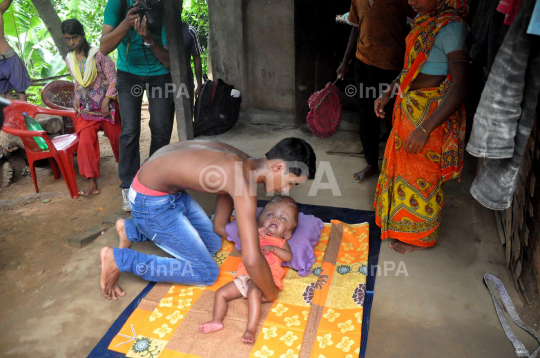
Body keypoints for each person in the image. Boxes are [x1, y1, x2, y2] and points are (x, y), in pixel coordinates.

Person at [100, 138, 316, 301]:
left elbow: (224, 190)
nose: (287, 190)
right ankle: (120, 259)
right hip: (150, 202)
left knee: (213, 242)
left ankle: (131, 229)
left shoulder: (245, 161)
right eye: (291, 183)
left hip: (167, 191)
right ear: (277, 167)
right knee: (206, 272)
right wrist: (270, 293)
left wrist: (221, 225)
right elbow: (251, 259)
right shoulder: (244, 183)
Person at [373, 0, 468, 254]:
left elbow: (460, 86)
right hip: (408, 110)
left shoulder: (452, 27)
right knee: (402, 172)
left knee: (424, 177)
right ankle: (400, 225)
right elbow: (410, 71)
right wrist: (388, 92)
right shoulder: (422, 22)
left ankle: (422, 237)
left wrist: (425, 129)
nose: (412, 1)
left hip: (430, 116)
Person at [100, 0, 174, 211]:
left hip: (159, 75)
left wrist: (149, 39)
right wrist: (126, 24)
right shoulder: (118, 3)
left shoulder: (165, 7)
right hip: (128, 73)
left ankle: (154, 180)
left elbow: (169, 61)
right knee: (130, 130)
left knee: (161, 128)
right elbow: (104, 47)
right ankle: (128, 186)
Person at [200, 196, 297, 343]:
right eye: (270, 215)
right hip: (244, 277)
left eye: (283, 218)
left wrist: (274, 249)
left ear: (288, 234)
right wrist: (256, 230)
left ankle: (250, 329)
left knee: (253, 292)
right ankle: (216, 321)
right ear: (260, 221)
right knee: (221, 293)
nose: (275, 219)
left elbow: (288, 256)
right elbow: (241, 235)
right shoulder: (255, 235)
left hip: (265, 281)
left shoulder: (281, 242)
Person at [337, 0, 413, 183]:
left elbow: (412, 28)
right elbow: (355, 28)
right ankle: (371, 163)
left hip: (392, 67)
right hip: (363, 64)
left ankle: (394, 165)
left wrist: (409, 65)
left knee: (392, 118)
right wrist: (345, 61)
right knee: (366, 116)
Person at [62, 19, 122, 197]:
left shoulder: (99, 55)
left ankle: (130, 172)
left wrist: (106, 101)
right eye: (68, 39)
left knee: (118, 139)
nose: (72, 42)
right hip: (86, 110)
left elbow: (114, 80)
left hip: (107, 107)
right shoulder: (69, 59)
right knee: (85, 144)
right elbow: (77, 81)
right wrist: (75, 96)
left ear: (83, 35)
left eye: (75, 37)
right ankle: (92, 182)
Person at [0, 0, 31, 101]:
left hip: (9, 58)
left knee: (20, 91)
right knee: (7, 93)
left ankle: (24, 116)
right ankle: (12, 116)